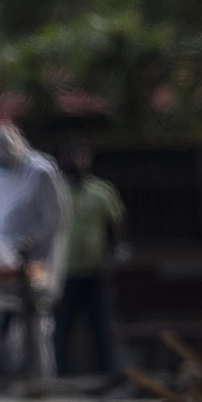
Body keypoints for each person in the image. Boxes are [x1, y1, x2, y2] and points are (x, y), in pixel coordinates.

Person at [0, 123, 68, 379]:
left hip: (37, 261)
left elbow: (55, 219)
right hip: (3, 261)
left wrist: (28, 242)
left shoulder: (41, 171)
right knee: (3, 322)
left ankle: (42, 377)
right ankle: (15, 376)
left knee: (38, 321)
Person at [54, 145, 128, 375]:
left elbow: (116, 225)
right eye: (69, 159)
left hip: (94, 271)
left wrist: (114, 256)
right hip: (63, 272)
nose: (74, 164)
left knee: (99, 327)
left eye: (78, 158)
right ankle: (62, 376)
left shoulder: (102, 191)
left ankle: (104, 373)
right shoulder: (56, 191)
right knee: (62, 329)